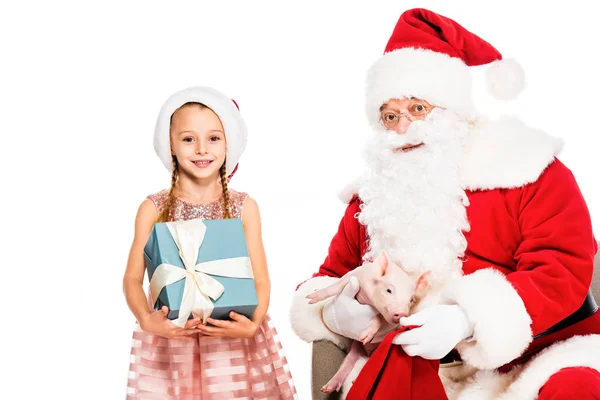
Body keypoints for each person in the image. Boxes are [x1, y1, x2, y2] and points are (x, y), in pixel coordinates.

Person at [290, 8, 600, 399]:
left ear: (455, 111)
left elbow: (561, 271)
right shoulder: (372, 197)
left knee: (574, 389)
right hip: (419, 371)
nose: (404, 127)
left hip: (536, 355)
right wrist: (341, 310)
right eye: (389, 116)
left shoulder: (526, 168)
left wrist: (465, 318)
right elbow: (327, 277)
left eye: (418, 109)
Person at [123, 86, 297, 399]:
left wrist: (252, 324)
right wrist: (148, 321)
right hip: (174, 341)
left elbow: (261, 278)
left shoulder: (244, 207)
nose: (202, 149)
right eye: (189, 139)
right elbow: (132, 278)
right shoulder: (153, 208)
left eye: (214, 138)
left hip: (234, 341)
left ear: (228, 144)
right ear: (171, 145)